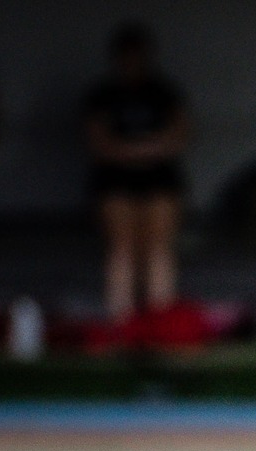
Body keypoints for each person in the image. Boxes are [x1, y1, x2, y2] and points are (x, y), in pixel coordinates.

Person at [83, 23, 189, 322]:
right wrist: (139, 151)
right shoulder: (103, 95)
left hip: (160, 180)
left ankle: (160, 322)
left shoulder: (164, 92)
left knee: (158, 250)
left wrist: (140, 151)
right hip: (115, 181)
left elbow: (179, 135)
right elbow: (98, 141)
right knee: (122, 250)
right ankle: (121, 322)